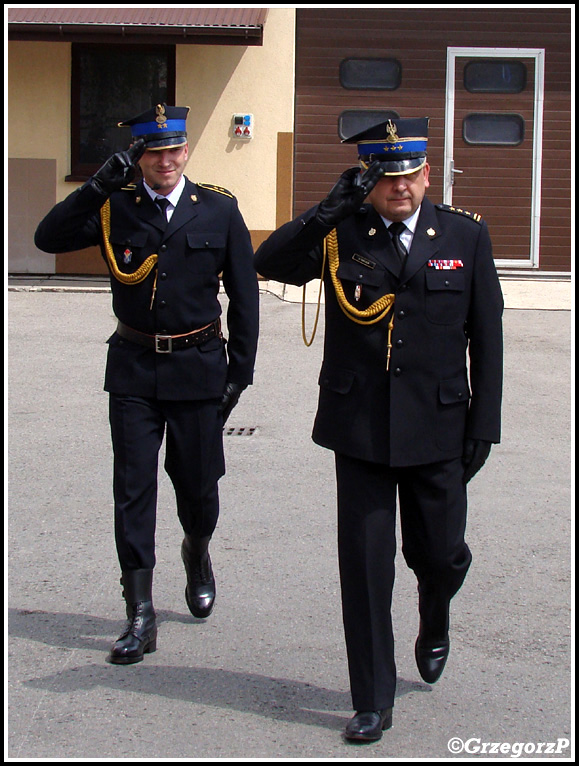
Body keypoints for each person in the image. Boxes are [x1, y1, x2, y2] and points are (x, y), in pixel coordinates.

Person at [254, 117, 503, 742]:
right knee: (365, 568)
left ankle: (436, 610)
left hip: (440, 427)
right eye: (385, 176)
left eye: (409, 174)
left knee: (440, 555)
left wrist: (486, 423)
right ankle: (372, 698)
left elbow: (488, 338)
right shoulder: (342, 232)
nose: (399, 187)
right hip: (360, 425)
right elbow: (270, 262)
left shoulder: (465, 236)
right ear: (369, 182)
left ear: (427, 174)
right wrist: (323, 210)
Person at [35, 103, 259, 665]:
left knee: (198, 485)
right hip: (134, 367)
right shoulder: (116, 208)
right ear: (140, 157)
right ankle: (139, 614)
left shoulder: (219, 210)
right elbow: (47, 237)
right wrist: (98, 184)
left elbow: (246, 297)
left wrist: (240, 374)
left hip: (198, 366)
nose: (166, 160)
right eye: (153, 152)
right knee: (133, 489)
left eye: (174, 150)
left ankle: (197, 550)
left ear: (187, 151)